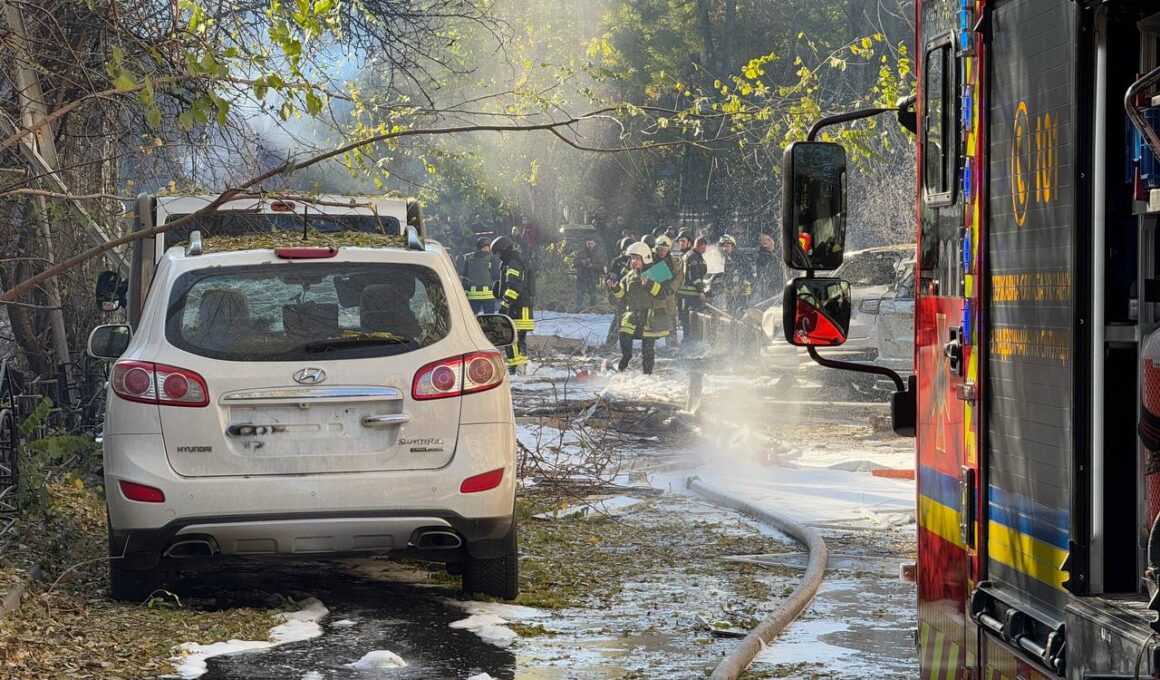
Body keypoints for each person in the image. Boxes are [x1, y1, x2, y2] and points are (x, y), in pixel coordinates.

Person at [607, 242, 670, 374]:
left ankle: (647, 374)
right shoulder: (629, 275)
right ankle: (625, 360)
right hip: (633, 314)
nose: (633, 261)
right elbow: (624, 297)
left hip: (650, 315)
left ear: (645, 258)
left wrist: (650, 285)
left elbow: (664, 293)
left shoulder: (657, 271)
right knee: (624, 333)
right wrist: (616, 289)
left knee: (647, 349)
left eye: (636, 258)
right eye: (631, 258)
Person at [491, 236, 534, 374]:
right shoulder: (511, 262)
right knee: (517, 339)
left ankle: (517, 370)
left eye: (498, 253)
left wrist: (505, 303)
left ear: (504, 250)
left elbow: (514, 287)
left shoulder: (514, 263)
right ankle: (520, 369)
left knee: (513, 339)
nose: (498, 256)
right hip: (518, 307)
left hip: (518, 309)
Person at [651, 235, 683, 348]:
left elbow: (679, 276)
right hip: (655, 296)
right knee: (655, 319)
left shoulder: (673, 261)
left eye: (665, 250)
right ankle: (650, 345)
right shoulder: (650, 260)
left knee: (672, 319)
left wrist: (671, 288)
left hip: (669, 296)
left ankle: (672, 344)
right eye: (660, 250)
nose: (662, 252)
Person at [678, 236, 709, 342]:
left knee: (690, 315)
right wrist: (701, 291)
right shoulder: (693, 257)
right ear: (697, 245)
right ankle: (688, 338)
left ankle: (690, 337)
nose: (704, 250)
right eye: (702, 248)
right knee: (688, 316)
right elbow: (694, 276)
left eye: (705, 248)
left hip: (692, 293)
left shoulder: (698, 256)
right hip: (687, 293)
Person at [712, 234, 752, 315]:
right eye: (723, 246)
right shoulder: (723, 259)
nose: (725, 248)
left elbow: (749, 274)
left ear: (733, 246)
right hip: (728, 294)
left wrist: (747, 289)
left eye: (727, 246)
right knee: (729, 315)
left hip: (740, 294)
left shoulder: (741, 258)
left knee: (740, 314)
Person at [605, 237, 635, 345]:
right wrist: (612, 292)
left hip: (635, 296)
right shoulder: (618, 262)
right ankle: (610, 342)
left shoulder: (638, 260)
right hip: (621, 294)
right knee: (619, 319)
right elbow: (612, 278)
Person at [459, 237, 500, 314]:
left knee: (473, 319)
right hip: (488, 295)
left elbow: (464, 275)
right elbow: (496, 276)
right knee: (489, 319)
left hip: (472, 296)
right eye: (488, 247)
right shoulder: (491, 259)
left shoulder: (468, 258)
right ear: (484, 247)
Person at [752, 233, 782, 304]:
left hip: (778, 280)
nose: (764, 245)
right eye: (762, 244)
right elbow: (761, 270)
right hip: (768, 282)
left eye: (765, 243)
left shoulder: (780, 251)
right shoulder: (762, 255)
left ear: (771, 240)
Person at [573, 238, 602, 311]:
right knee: (579, 294)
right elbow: (575, 262)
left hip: (593, 276)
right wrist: (582, 262)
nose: (589, 245)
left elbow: (602, 265)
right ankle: (578, 309)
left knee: (593, 295)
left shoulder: (599, 253)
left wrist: (592, 265)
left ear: (594, 243)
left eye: (591, 244)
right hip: (582, 276)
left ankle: (594, 309)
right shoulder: (581, 252)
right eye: (588, 244)